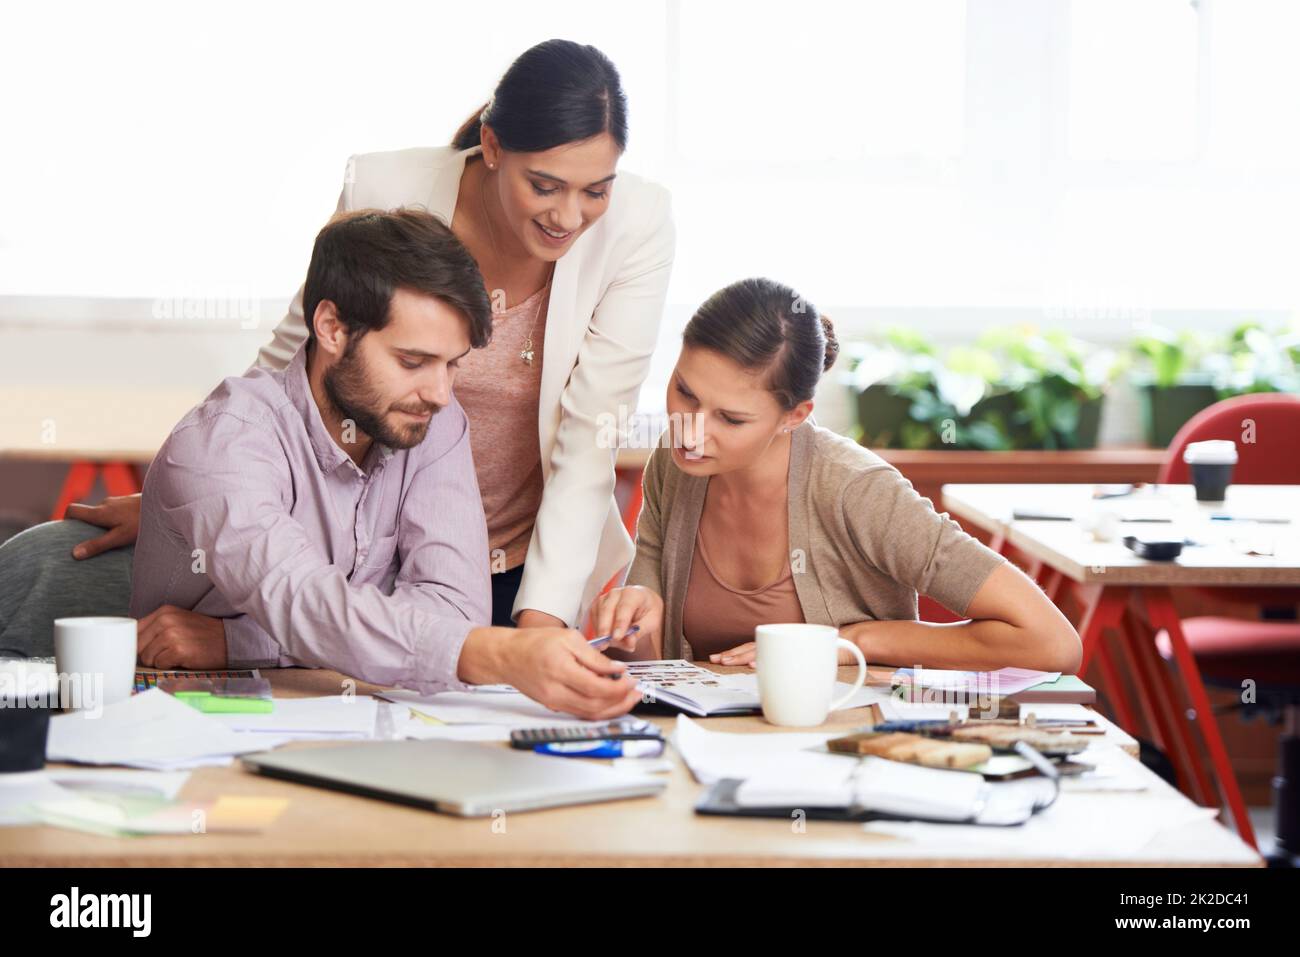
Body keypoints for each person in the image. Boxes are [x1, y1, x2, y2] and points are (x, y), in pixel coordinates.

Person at [64, 39, 675, 632]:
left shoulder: (635, 227)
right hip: (358, 547)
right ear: (491, 146)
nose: (568, 216)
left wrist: (540, 628)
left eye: (595, 190)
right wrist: (206, 501)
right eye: (544, 186)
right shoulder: (386, 190)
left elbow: (591, 430)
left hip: (520, 564)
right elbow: (294, 356)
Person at [126, 208, 640, 719]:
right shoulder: (225, 443)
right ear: (331, 327)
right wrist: (501, 653)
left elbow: (455, 611)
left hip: (349, 715)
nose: (440, 393)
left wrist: (239, 639)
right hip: (202, 724)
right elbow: (302, 601)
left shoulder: (432, 420)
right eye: (412, 362)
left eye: (453, 364)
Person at [591, 278, 1083, 674]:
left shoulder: (857, 490)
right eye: (685, 392)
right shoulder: (675, 469)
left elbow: (1051, 642)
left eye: (731, 419)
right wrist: (633, 623)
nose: (692, 433)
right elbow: (654, 664)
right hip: (708, 756)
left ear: (794, 415)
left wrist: (851, 643)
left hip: (845, 753)